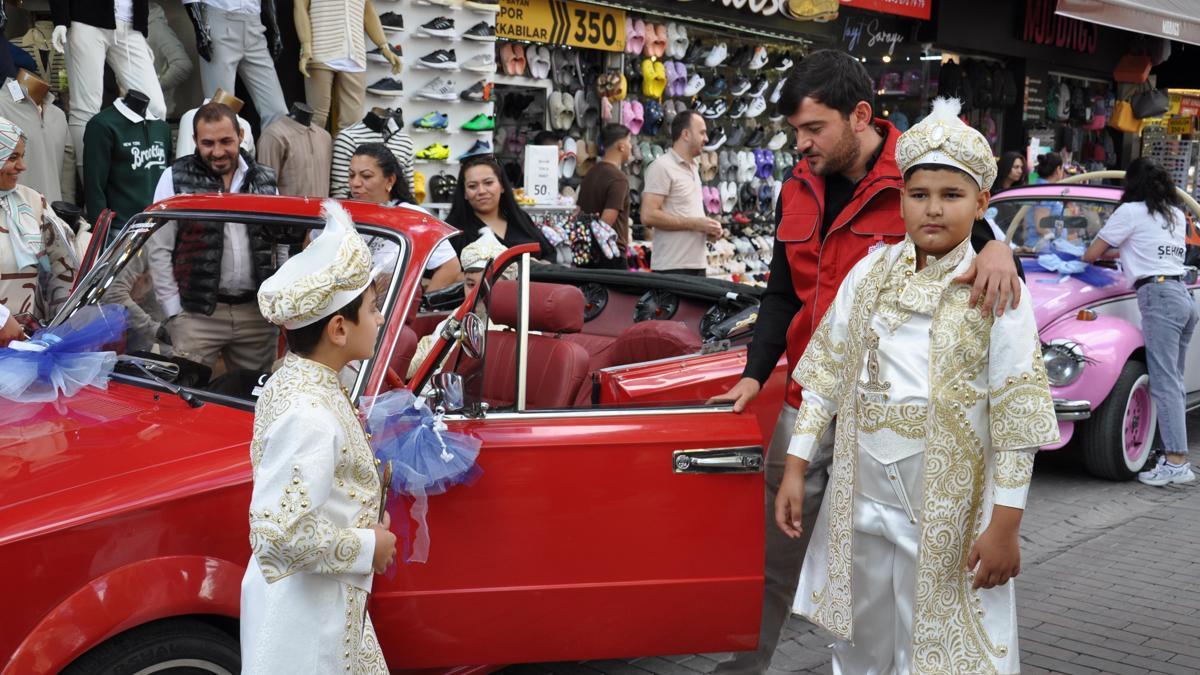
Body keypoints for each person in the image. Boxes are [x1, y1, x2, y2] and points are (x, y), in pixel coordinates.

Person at [707, 50, 1023, 674]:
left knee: (894, 566)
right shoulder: (796, 187)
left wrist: (1000, 250)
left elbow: (967, 223)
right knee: (774, 555)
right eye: (794, 131)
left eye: (813, 128)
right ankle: (746, 669)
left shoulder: (922, 169)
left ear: (859, 115)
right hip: (808, 399)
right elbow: (779, 292)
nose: (801, 144)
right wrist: (752, 373)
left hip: (898, 429)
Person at [777, 97, 1058, 674]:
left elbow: (1016, 413)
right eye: (918, 194)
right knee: (861, 637)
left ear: (981, 202)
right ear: (900, 198)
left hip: (948, 507)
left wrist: (1006, 524)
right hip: (861, 495)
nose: (933, 210)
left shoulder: (996, 290)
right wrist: (797, 462)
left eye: (952, 196)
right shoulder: (869, 272)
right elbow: (828, 369)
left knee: (943, 645)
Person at [242, 199, 395, 673]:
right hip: (303, 626)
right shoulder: (307, 410)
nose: (380, 318)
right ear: (337, 327)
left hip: (322, 604)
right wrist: (371, 545)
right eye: (372, 308)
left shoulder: (304, 378)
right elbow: (275, 535)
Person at [1083, 158, 1198, 486]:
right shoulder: (1175, 214)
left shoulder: (1130, 212)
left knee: (1164, 383)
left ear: (1131, 184)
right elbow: (1152, 251)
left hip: (1158, 296)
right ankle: (1171, 455)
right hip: (1181, 296)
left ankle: (1176, 461)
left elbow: (1092, 254)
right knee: (1172, 382)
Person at [146, 101, 283, 373]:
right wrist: (174, 312)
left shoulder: (265, 180)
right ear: (194, 140)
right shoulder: (174, 178)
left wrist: (276, 305)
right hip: (195, 315)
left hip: (255, 316)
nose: (218, 151)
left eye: (226, 141)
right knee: (186, 400)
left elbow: (278, 244)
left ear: (241, 136)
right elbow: (158, 249)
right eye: (207, 143)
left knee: (251, 404)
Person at [348, 142, 462, 290]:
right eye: (351, 175)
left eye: (366, 176)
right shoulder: (340, 214)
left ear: (390, 181)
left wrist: (415, 306)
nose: (355, 183)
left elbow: (450, 267)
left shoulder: (413, 217)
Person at [0, 116, 76, 325]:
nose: (22, 166)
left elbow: (64, 263)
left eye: (22, 156)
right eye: (13, 157)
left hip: (25, 342)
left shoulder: (32, 201)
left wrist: (62, 320)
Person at [641, 110, 722, 276]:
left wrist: (707, 230)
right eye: (702, 132)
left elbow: (684, 213)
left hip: (696, 264)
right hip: (672, 267)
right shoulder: (661, 166)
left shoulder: (694, 167)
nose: (706, 139)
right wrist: (695, 224)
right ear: (685, 134)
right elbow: (648, 216)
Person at [445, 154, 557, 262]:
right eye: (472, 186)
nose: (482, 191)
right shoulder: (453, 232)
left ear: (502, 186)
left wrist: (535, 268)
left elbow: (549, 254)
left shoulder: (520, 219)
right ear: (464, 193)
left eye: (488, 183)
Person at [575, 123, 632, 269]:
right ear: (621, 146)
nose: (631, 146)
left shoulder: (591, 173)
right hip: (610, 253)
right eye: (629, 141)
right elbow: (606, 222)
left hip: (587, 251)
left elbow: (579, 211)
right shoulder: (618, 178)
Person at [1024, 152, 1065, 249]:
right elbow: (1041, 226)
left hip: (1036, 246)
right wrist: (1057, 242)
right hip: (1042, 249)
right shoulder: (1046, 191)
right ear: (1058, 169)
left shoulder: (1039, 187)